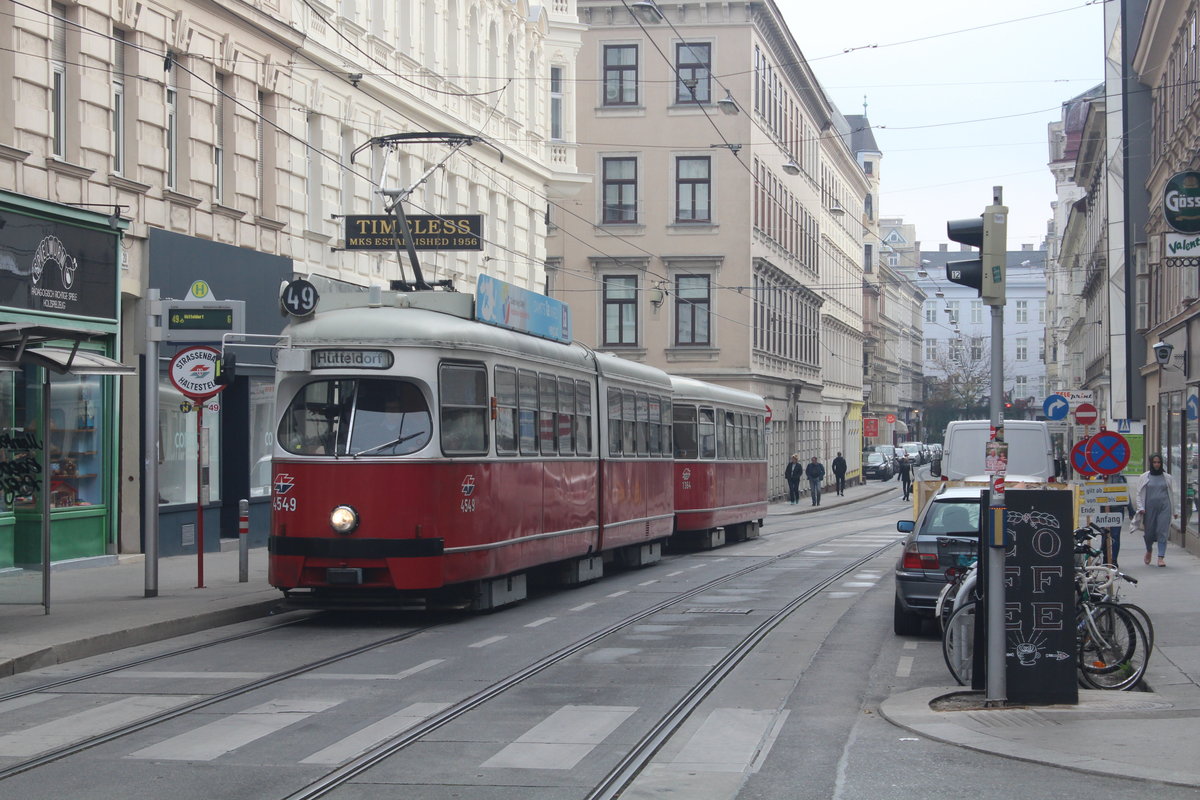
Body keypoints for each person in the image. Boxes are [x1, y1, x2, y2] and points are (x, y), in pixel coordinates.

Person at [1136, 453, 1177, 567]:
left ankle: (1161, 557)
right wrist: (1141, 508)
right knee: (1149, 533)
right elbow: (1139, 494)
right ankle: (1149, 550)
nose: (1157, 464)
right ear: (1151, 463)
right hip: (1149, 509)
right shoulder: (1144, 477)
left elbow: (1174, 494)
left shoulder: (1167, 477)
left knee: (1162, 531)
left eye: (1159, 462)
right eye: (1154, 462)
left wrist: (1175, 511)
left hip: (1164, 507)